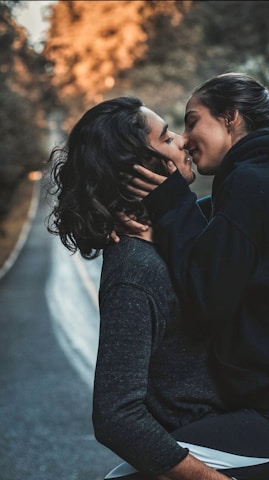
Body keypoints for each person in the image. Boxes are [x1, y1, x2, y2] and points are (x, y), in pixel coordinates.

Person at [121, 72, 269, 479]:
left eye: (193, 121)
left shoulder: (253, 183)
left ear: (230, 119)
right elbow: (211, 240)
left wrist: (171, 203)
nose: (186, 138)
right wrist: (163, 218)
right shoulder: (264, 181)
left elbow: (206, 297)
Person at [46, 96, 237, 480]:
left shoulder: (180, 232)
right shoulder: (136, 270)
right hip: (201, 452)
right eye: (167, 138)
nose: (183, 141)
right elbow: (116, 415)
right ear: (140, 168)